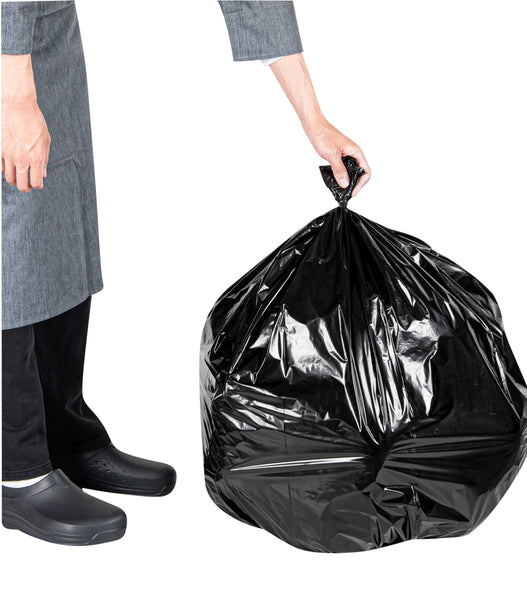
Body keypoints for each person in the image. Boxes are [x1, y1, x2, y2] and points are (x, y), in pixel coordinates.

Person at [1, 0, 370, 545]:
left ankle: (61, 435)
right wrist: (13, 96)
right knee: (11, 218)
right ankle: (16, 464)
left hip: (43, 25)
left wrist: (313, 119)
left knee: (57, 206)